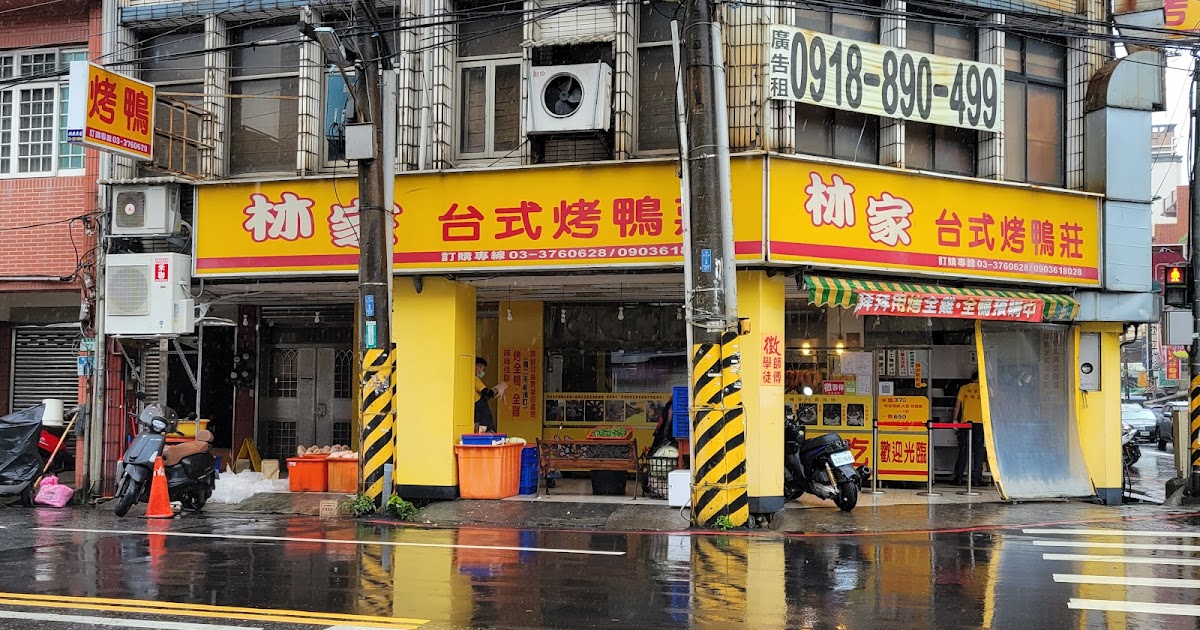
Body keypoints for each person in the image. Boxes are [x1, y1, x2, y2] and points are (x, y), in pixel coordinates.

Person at [953, 372, 985, 486]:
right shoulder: (985, 389)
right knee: (979, 451)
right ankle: (977, 479)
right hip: (981, 424)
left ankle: (959, 478)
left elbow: (957, 405)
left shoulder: (964, 388)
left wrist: (954, 419)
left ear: (972, 378)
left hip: (966, 424)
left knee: (964, 450)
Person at [473, 357, 507, 433]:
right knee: (487, 431)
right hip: (480, 411)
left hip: (477, 410)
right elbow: (487, 393)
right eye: (483, 369)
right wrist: (498, 389)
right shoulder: (475, 379)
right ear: (477, 367)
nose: (483, 372)